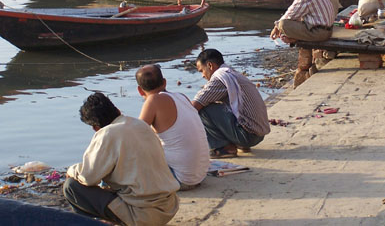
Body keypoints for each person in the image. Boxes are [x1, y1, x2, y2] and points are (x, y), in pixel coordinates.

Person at [64, 92, 179, 226]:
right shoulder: (140, 124)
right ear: (117, 110)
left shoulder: (106, 134)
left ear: (95, 127)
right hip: (169, 207)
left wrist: (71, 170)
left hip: (143, 215)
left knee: (71, 186)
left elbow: (88, 177)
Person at [136, 64, 210, 191]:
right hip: (199, 175)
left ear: (140, 90)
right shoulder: (181, 96)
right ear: (164, 83)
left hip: (180, 178)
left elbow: (133, 135)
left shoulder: (153, 100)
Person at [192, 49, 270, 158]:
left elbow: (194, 107)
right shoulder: (231, 72)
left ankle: (225, 148)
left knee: (203, 110)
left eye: (201, 71)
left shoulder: (219, 78)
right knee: (214, 104)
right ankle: (239, 144)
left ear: (210, 65)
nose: (202, 76)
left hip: (248, 135)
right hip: (258, 133)